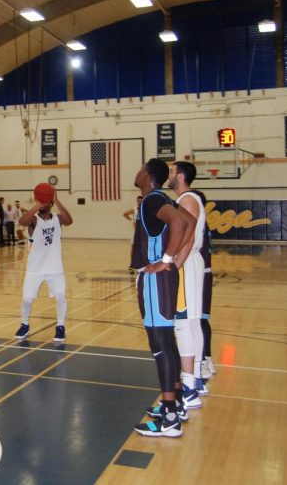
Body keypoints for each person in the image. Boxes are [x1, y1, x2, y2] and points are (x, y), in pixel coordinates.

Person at [130, 159, 194, 438]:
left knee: (160, 346)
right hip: (163, 277)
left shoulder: (151, 201)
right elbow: (191, 222)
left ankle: (169, 417)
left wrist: (167, 260)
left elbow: (181, 222)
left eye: (140, 167)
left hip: (155, 279)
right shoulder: (159, 198)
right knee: (167, 341)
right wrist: (174, 262)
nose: (137, 171)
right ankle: (176, 403)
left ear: (147, 175)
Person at [169, 161, 207, 410]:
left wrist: (173, 266)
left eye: (172, 171)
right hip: (191, 262)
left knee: (183, 324)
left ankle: (189, 388)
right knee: (192, 323)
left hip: (186, 262)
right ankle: (196, 379)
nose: (169, 175)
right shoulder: (189, 199)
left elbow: (188, 235)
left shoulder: (188, 200)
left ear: (181, 176)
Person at [14, 189, 73, 342]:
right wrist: (37, 205)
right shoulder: (33, 220)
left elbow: (69, 220)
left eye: (45, 202)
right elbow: (22, 222)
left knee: (61, 297)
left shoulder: (57, 219)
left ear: (51, 204)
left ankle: (60, 327)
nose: (42, 204)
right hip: (35, 268)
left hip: (55, 267)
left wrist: (56, 200)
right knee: (27, 299)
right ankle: (24, 324)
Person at [192, 189, 216, 388]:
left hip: (202, 273)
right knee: (200, 320)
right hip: (202, 272)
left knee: (200, 320)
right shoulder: (202, 222)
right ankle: (205, 359)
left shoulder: (199, 224)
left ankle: (205, 360)